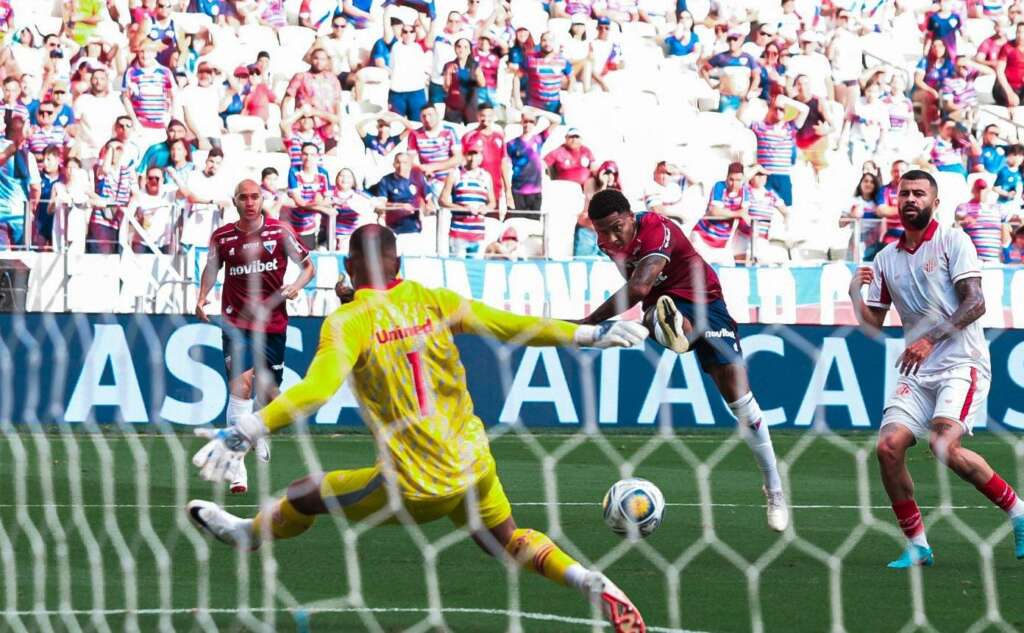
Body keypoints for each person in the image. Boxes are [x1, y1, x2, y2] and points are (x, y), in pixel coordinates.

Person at [186, 223, 650, 633]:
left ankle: (247, 535)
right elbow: (511, 326)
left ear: (348, 267)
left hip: (415, 487)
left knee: (305, 493)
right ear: (399, 263)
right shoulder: (435, 300)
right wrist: (589, 334)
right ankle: (587, 579)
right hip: (473, 464)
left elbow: (316, 391)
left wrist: (244, 429)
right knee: (505, 539)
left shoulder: (347, 322)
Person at [579, 188, 788, 532]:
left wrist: (590, 323)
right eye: (603, 231)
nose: (611, 236)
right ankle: (673, 327)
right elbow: (639, 288)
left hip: (706, 301)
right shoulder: (607, 242)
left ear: (631, 215)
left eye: (617, 227)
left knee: (741, 402)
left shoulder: (657, 229)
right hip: (663, 301)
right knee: (658, 313)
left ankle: (775, 491)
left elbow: (638, 288)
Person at [847, 169, 1024, 568]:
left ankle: (1018, 511)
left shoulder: (952, 241)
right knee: (887, 447)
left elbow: (976, 303)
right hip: (919, 371)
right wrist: (854, 293)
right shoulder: (886, 259)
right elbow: (872, 326)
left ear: (935, 202)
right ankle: (918, 545)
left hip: (962, 361)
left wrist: (929, 339)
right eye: (904, 193)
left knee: (943, 446)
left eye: (919, 193)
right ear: (896, 201)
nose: (911, 199)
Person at [194, 178, 316, 491]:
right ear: (234, 202)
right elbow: (211, 268)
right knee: (241, 384)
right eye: (243, 197)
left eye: (254, 197)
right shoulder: (222, 237)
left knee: (267, 389)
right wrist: (201, 296)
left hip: (273, 323)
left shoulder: (280, 231)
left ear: (261, 200)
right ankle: (236, 466)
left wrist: (295, 286)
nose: (249, 202)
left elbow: (308, 267)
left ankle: (256, 432)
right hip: (236, 322)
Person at [441, 139, 494, 256]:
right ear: (465, 155)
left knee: (476, 269)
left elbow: (492, 203)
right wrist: (464, 208)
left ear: (481, 156)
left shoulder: (486, 176)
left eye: (477, 154)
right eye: (470, 154)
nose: (473, 158)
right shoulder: (455, 174)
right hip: (458, 232)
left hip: (478, 232)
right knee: (456, 268)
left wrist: (485, 208)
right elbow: (442, 201)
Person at [505, 107, 559, 214]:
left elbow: (557, 120)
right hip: (518, 191)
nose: (528, 124)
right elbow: (505, 167)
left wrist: (540, 112)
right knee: (517, 223)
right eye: (525, 121)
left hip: (536, 190)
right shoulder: (511, 144)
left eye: (531, 122)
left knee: (534, 226)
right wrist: (508, 191)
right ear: (521, 122)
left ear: (535, 124)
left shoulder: (539, 139)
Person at [956, 178, 1003, 263]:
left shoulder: (997, 208)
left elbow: (1014, 219)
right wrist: (965, 218)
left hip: (994, 260)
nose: (981, 192)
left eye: (983, 189)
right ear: (973, 191)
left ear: (988, 191)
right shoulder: (965, 206)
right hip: (974, 259)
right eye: (978, 189)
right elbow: (959, 216)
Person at [841, 171, 883, 260]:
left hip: (874, 243)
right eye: (865, 181)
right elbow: (840, 224)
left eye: (872, 182)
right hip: (856, 240)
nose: (868, 184)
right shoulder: (853, 201)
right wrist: (852, 216)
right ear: (860, 183)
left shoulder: (879, 203)